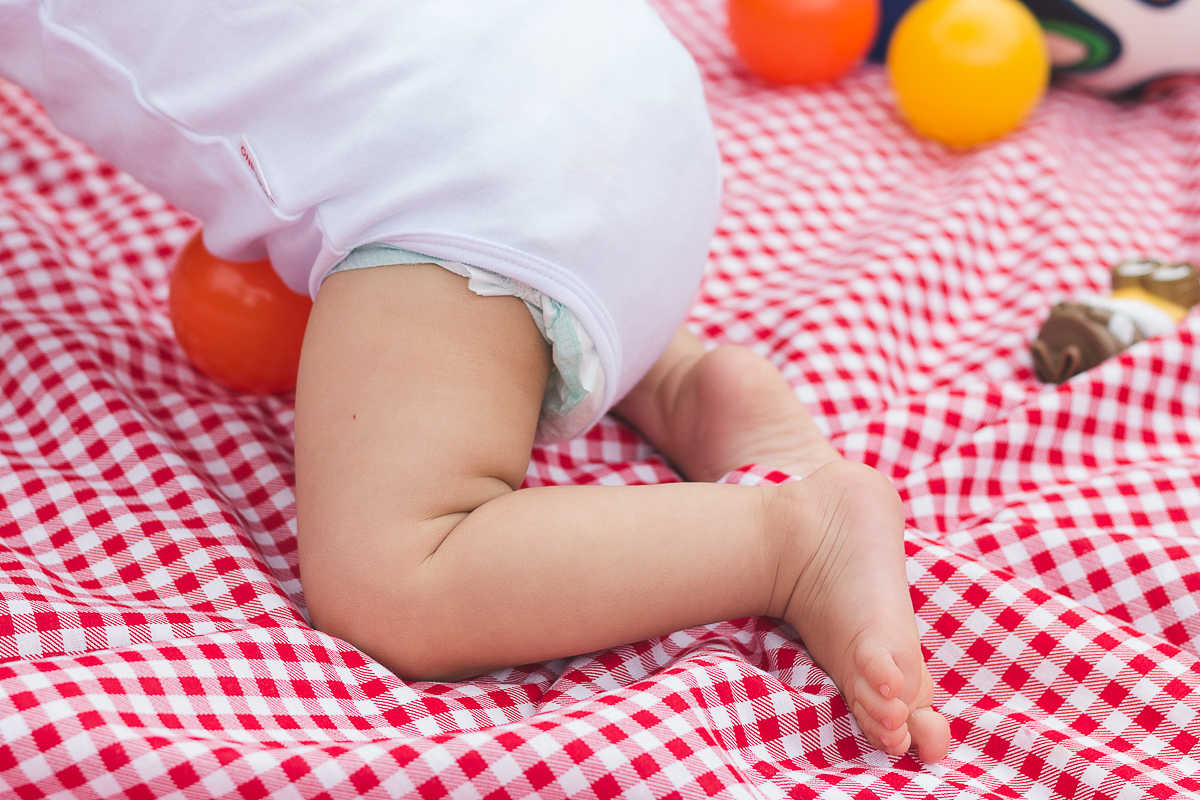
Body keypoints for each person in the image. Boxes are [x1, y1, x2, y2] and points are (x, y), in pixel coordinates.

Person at [1, 0, 951, 763]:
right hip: (618, 74)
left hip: (464, 165)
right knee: (520, 273)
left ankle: (791, 538)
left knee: (392, 577)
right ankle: (684, 382)